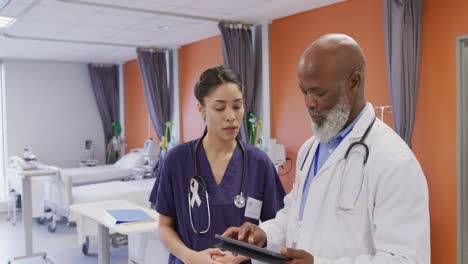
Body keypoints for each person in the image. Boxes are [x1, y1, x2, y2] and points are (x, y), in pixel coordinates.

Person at [223, 34, 430, 263]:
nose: (309, 103)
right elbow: (294, 217)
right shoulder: (310, 149)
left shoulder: (394, 160)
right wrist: (264, 235)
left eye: (319, 93)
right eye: (304, 92)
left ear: (354, 82)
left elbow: (406, 259)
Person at [155, 65, 286, 264]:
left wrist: (243, 254)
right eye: (219, 107)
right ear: (202, 109)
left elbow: (276, 227)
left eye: (237, 106)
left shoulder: (259, 162)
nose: (231, 116)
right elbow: (164, 226)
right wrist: (190, 257)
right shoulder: (177, 160)